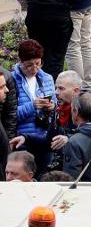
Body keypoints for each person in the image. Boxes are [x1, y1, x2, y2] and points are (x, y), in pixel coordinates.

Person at [10, 40, 56, 173]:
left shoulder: (47, 78)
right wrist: (33, 105)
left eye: (38, 63)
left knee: (44, 177)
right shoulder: (11, 80)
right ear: (20, 61)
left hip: (44, 137)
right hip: (22, 139)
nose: (35, 69)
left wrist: (51, 106)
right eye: (29, 65)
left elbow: (55, 106)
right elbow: (10, 114)